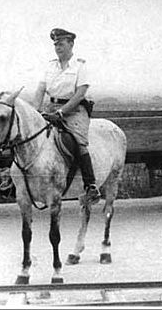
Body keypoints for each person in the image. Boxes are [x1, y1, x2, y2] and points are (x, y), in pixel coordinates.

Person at [33, 28, 101, 204]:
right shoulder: (50, 66)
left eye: (61, 43)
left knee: (78, 142)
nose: (57, 47)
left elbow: (80, 94)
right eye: (55, 44)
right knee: (30, 136)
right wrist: (35, 112)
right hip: (51, 107)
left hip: (75, 111)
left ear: (71, 44)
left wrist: (62, 112)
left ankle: (90, 185)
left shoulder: (80, 66)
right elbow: (40, 90)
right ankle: (15, 181)